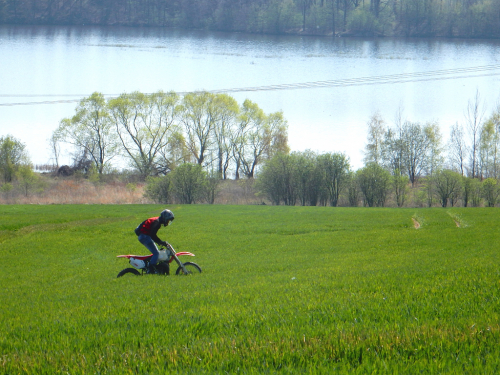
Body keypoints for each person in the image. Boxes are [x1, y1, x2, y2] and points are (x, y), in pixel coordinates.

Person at [135, 209, 174, 274]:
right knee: (156, 253)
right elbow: (152, 235)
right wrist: (161, 242)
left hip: (144, 236)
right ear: (165, 218)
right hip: (144, 236)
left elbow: (152, 235)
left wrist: (160, 242)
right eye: (168, 220)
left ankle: (153, 266)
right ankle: (151, 269)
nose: (168, 222)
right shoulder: (157, 223)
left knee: (156, 252)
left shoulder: (157, 220)